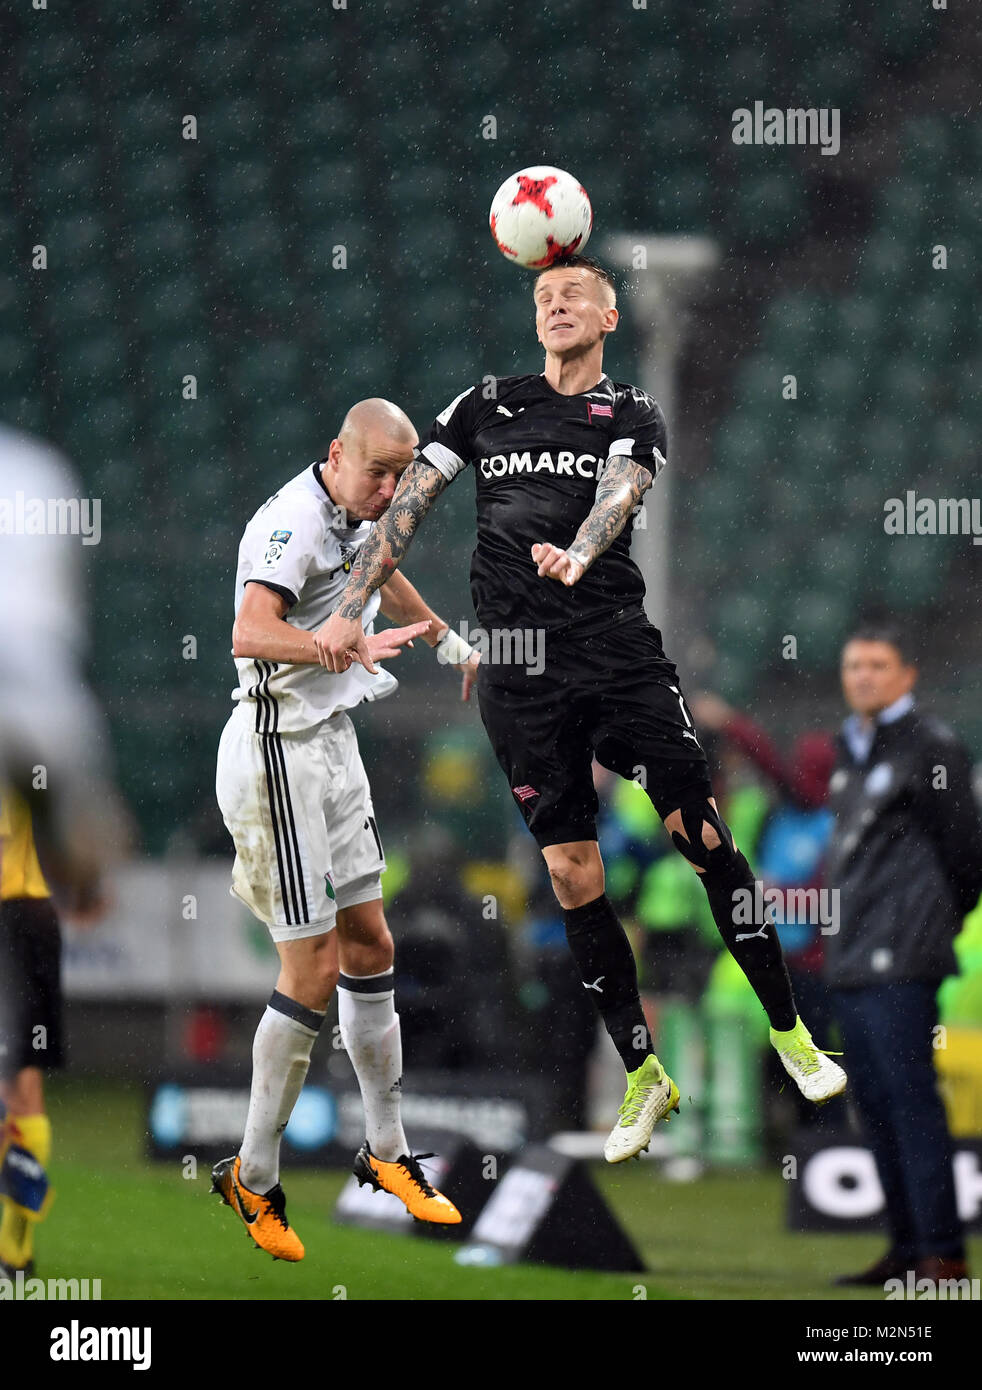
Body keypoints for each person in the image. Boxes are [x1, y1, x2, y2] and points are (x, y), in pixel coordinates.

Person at [317, 256, 846, 1163]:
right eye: (542, 297)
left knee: (702, 835)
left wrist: (579, 551)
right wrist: (349, 601)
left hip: (616, 656)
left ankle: (790, 1034)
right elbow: (406, 508)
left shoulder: (632, 412)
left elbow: (619, 495)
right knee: (571, 876)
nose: (556, 305)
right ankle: (644, 1077)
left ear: (607, 316)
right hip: (523, 677)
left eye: (573, 297)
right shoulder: (485, 405)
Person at [212, 398, 476, 1260]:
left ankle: (388, 1152)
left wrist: (442, 638)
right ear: (337, 454)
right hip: (276, 751)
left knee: (371, 941)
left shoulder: (357, 510)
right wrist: (324, 642)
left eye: (405, 475)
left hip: (330, 743)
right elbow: (251, 632)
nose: (394, 489)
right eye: (380, 472)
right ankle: (252, 1177)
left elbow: (381, 559)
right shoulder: (292, 522)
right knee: (314, 968)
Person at [824, 623, 982, 1287]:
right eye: (854, 664)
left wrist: (927, 927)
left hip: (903, 958)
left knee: (911, 1101)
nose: (863, 676)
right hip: (853, 955)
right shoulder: (850, 747)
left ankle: (942, 1254)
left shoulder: (931, 746)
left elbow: (968, 853)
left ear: (907, 675)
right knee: (877, 1104)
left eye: (878, 665)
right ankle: (906, 1245)